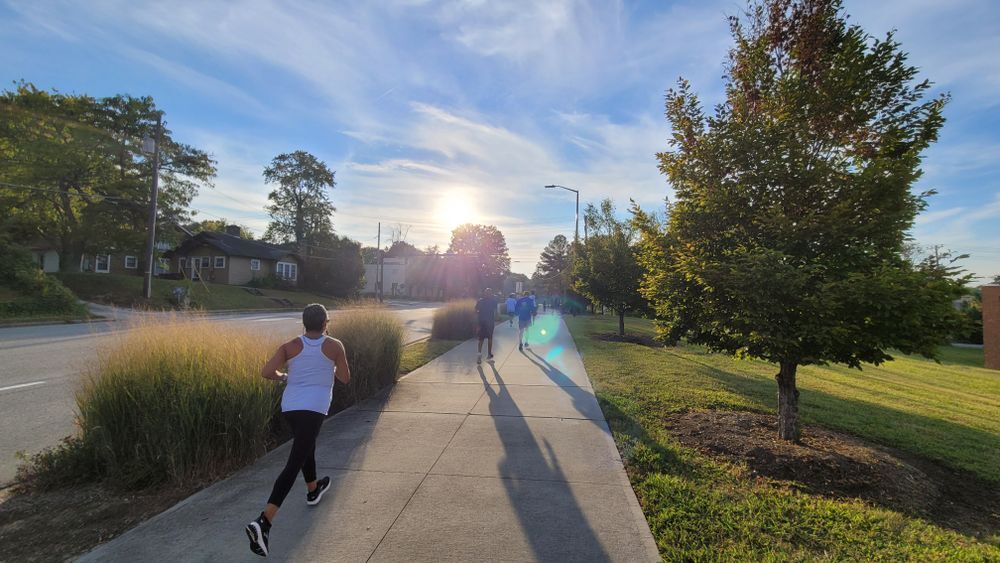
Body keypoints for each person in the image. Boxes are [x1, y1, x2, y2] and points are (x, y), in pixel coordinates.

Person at [246, 303, 351, 558]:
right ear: (326, 323)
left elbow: (266, 372)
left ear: (304, 323)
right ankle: (264, 522)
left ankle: (313, 490)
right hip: (314, 408)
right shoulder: (335, 345)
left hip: (290, 408)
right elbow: (345, 378)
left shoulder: (289, 346)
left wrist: (285, 377)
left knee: (306, 448)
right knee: (295, 460)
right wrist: (330, 367)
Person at [475, 288, 498, 364]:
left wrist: (479, 316)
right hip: (490, 322)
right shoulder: (493, 301)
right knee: (490, 338)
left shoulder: (480, 301)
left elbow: (476, 310)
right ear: (491, 294)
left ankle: (479, 354)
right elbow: (495, 311)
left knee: (481, 339)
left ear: (484, 293)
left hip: (481, 322)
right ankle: (489, 354)